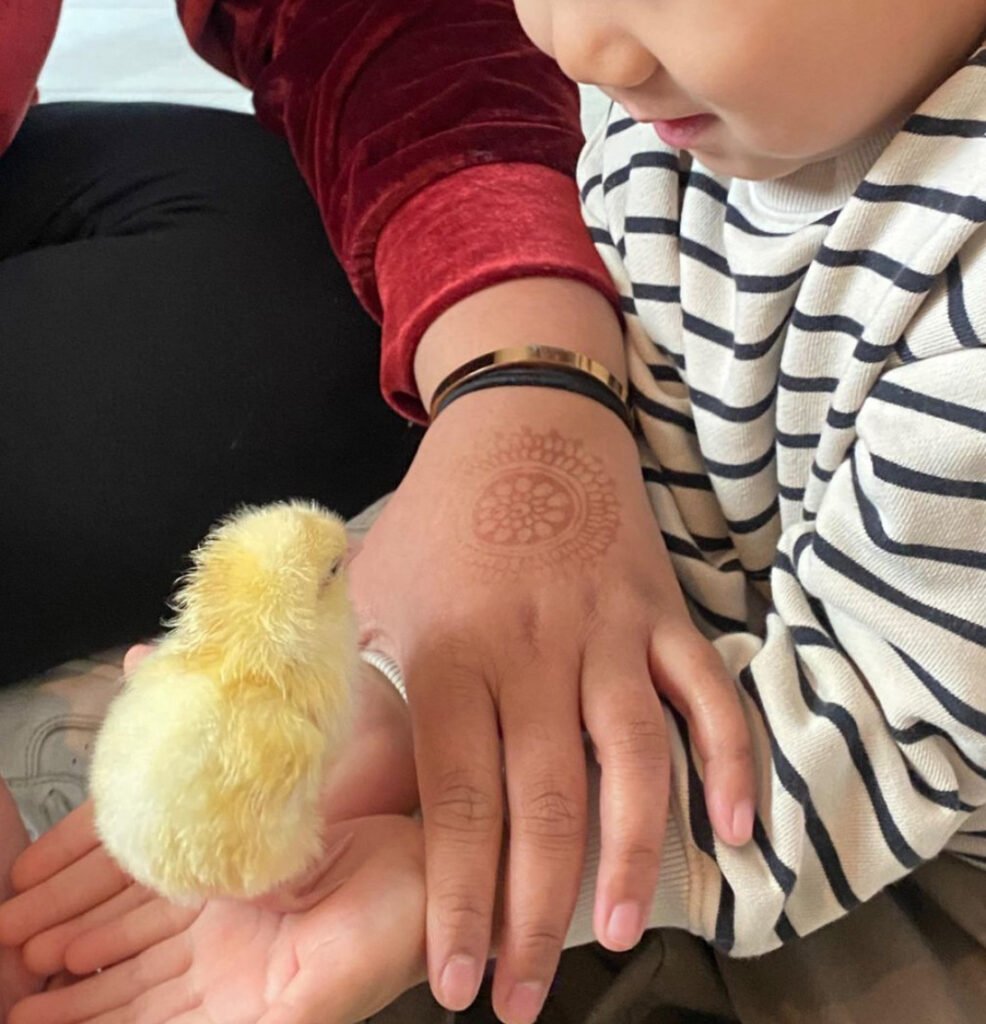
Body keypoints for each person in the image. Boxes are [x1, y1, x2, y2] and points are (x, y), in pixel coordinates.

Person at [5, 0, 984, 1022]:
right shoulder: (694, 117)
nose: (575, 46)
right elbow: (613, 473)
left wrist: (451, 869)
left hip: (909, 877)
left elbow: (875, 753)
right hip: (712, 702)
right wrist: (387, 677)